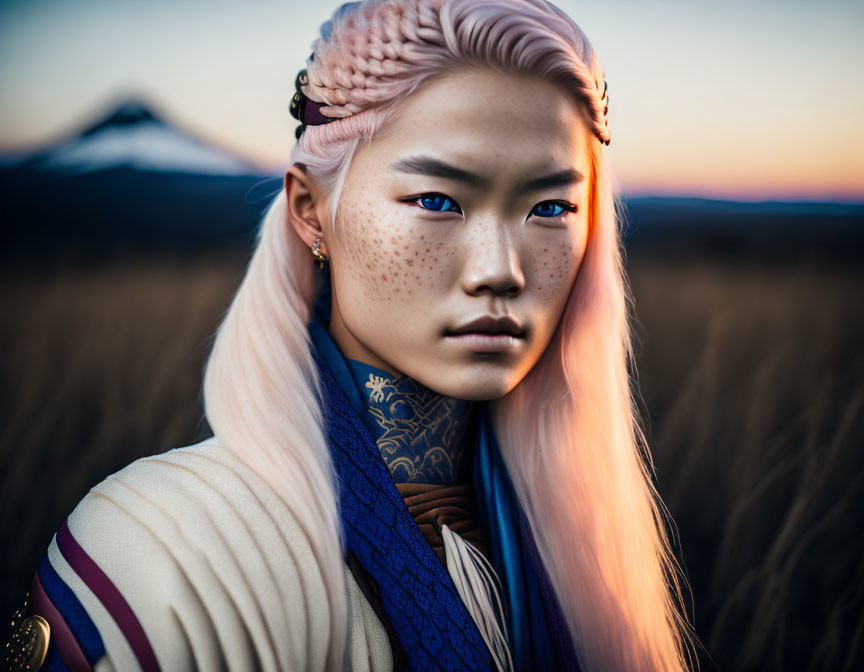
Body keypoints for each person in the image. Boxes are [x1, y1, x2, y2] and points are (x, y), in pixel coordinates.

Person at [7, 1, 700, 670]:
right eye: (437, 200)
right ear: (311, 213)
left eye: (551, 207)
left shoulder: (574, 547)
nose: (500, 270)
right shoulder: (159, 548)